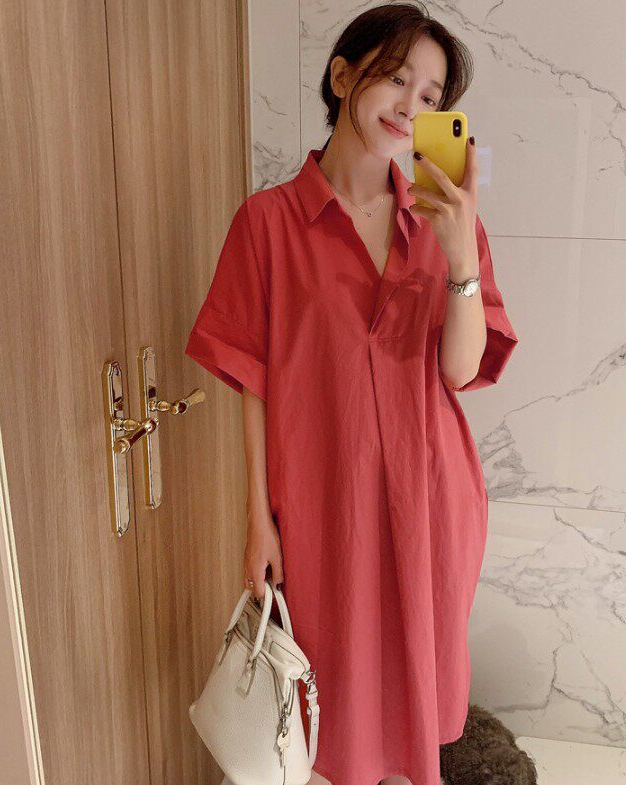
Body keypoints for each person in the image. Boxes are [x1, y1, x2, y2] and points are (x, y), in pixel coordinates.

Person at [185, 4, 518, 785]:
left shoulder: (444, 222)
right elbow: (252, 380)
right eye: (396, 78)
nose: (410, 106)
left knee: (414, 685)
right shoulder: (267, 223)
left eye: (431, 96)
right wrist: (258, 519)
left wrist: (459, 254)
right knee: (333, 690)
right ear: (342, 76)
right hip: (322, 498)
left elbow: (460, 370)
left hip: (430, 493)